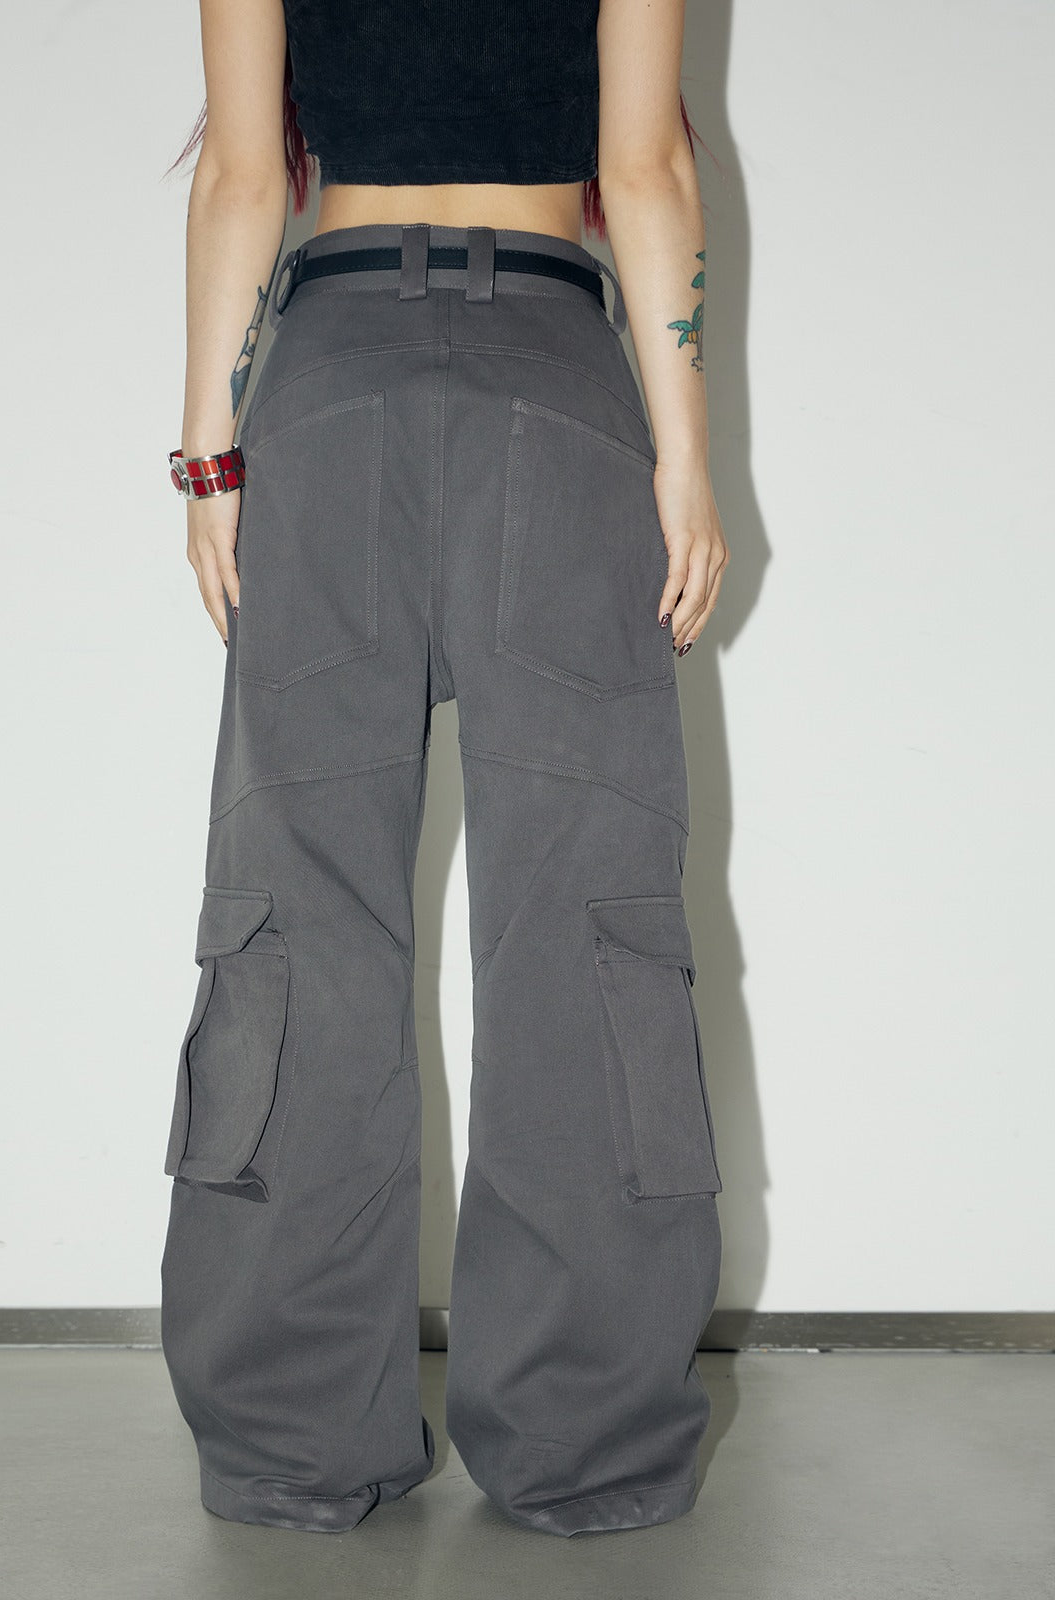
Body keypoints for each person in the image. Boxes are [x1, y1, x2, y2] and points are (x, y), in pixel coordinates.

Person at [158, 0, 731, 1539]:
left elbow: (240, 172)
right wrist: (683, 454)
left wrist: (210, 457)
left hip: (330, 378)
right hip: (554, 371)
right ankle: (585, 1443)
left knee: (298, 912)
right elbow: (647, 164)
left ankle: (288, 1440)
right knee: (587, 918)